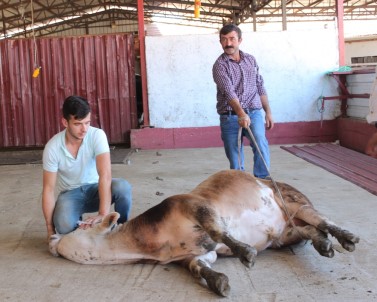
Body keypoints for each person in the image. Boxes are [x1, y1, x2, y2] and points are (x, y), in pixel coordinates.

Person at [42, 95, 132, 239]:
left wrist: (103, 214)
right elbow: (48, 189)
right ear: (65, 122)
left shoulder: (97, 135)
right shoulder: (52, 147)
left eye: (87, 123)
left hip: (96, 188)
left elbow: (105, 175)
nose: (84, 129)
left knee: (123, 187)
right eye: (78, 124)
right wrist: (49, 229)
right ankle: (83, 228)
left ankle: (120, 228)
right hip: (70, 194)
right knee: (63, 225)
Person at [212, 24, 274, 179]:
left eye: (232, 39)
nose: (228, 43)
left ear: (240, 40)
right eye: (224, 40)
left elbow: (259, 85)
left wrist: (268, 112)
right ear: (220, 42)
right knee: (235, 156)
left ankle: (262, 181)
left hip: (254, 113)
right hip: (230, 116)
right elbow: (228, 91)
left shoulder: (250, 60)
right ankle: (240, 186)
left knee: (261, 143)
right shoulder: (219, 66)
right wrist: (240, 113)